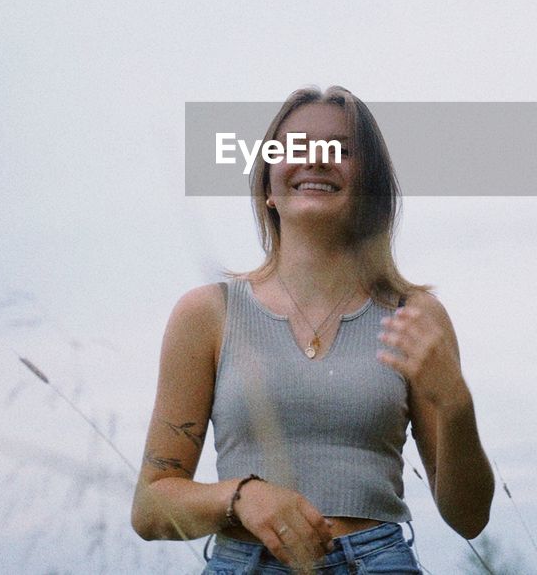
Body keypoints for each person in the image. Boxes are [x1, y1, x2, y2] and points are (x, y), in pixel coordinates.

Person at [132, 85, 494, 574]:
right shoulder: (207, 314)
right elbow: (151, 507)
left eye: (341, 150)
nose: (316, 161)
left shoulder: (416, 315)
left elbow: (468, 518)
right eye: (295, 148)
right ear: (266, 184)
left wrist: (457, 404)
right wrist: (243, 497)